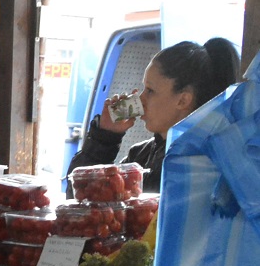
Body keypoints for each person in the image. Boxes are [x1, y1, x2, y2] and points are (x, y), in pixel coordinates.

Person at [67, 38, 240, 195]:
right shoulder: (140, 154)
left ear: (183, 99)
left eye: (150, 91)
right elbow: (80, 196)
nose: (140, 100)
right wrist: (105, 137)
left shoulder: (199, 163)